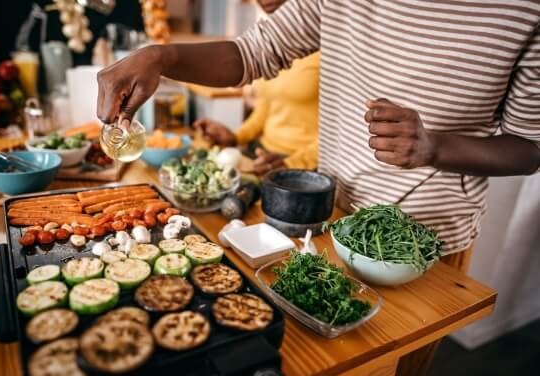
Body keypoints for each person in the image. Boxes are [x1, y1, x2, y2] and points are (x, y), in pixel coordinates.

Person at [96, 0, 540, 263]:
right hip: (331, 213)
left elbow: (527, 148)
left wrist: (435, 147)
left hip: (428, 240)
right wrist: (161, 57)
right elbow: (255, 51)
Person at [193, 0, 320, 175]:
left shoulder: (328, 49)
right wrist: (235, 136)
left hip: (305, 167)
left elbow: (342, 134)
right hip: (262, 153)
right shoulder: (271, 47)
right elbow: (265, 110)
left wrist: (291, 164)